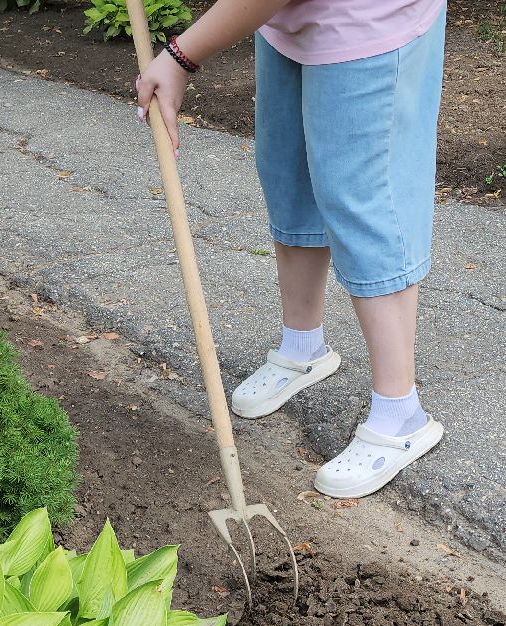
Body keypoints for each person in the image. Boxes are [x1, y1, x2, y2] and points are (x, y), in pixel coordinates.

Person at [135, 0, 447, 499]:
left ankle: (400, 412)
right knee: (290, 175)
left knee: (362, 201)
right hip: (286, 21)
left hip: (367, 21)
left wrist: (180, 56)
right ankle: (303, 349)